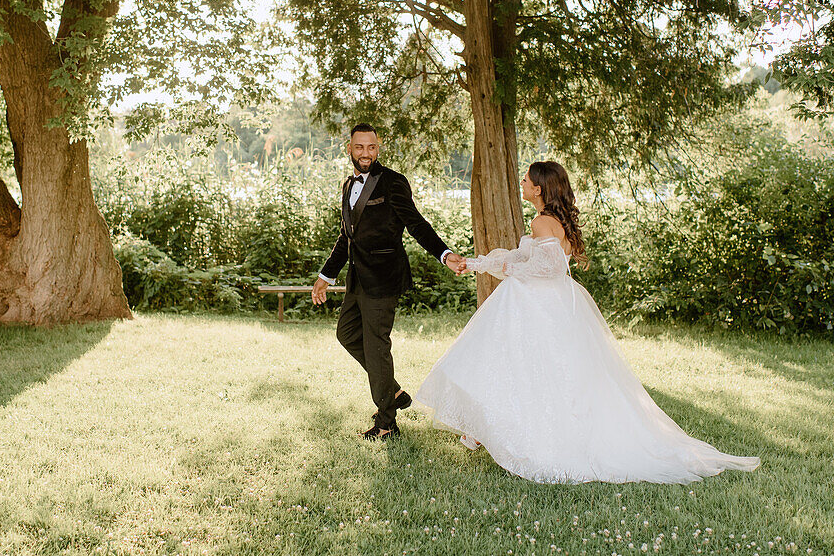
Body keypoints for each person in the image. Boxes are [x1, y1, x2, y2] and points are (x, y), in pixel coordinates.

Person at [415, 160, 761, 483]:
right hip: (550, 301)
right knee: (520, 365)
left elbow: (546, 267)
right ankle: (481, 429)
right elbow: (521, 256)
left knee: (512, 363)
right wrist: (475, 264)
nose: (521, 183)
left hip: (539, 305)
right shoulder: (551, 219)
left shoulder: (541, 221)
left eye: (525, 180)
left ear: (538, 188)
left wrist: (508, 270)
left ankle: (501, 432)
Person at [312, 123, 464, 440]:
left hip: (384, 278)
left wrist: (444, 254)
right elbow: (346, 238)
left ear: (378, 148)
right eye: (359, 147)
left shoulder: (393, 182)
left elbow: (416, 223)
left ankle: (386, 424)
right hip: (357, 277)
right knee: (346, 333)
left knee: (376, 346)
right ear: (350, 149)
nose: (365, 153)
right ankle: (393, 392)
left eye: (371, 147)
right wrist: (325, 276)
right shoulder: (347, 186)